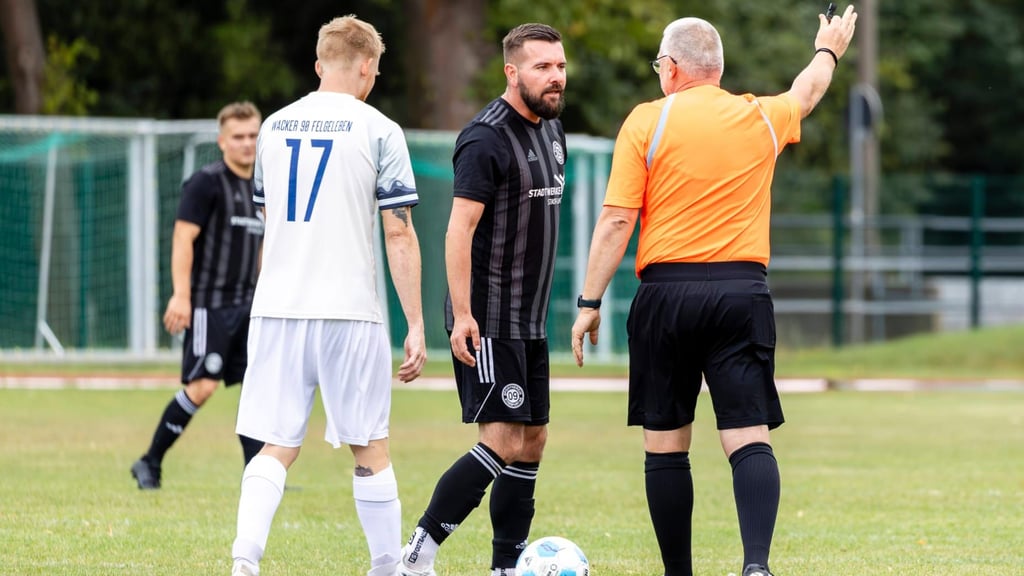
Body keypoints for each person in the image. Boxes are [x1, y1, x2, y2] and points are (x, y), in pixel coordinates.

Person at [570, 7, 857, 576]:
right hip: (739, 292)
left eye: (659, 64)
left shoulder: (646, 121)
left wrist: (589, 302)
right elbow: (808, 90)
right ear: (718, 69)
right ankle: (755, 568)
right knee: (747, 435)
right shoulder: (760, 116)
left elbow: (616, 222)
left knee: (665, 443)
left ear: (672, 68)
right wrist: (828, 48)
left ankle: (680, 572)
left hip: (666, 294)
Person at [229, 15, 427, 576]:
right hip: (349, 312)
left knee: (275, 444)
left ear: (319, 65)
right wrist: (414, 321)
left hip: (277, 308)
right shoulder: (380, 129)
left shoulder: (272, 127)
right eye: (377, 69)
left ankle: (245, 560)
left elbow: (271, 227)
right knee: (370, 446)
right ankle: (388, 567)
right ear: (367, 66)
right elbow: (398, 230)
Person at [398, 22, 567, 576]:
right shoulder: (484, 137)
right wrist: (464, 314)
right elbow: (457, 231)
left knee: (532, 440)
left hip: (531, 318)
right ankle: (419, 553)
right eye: (542, 67)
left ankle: (506, 567)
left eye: (560, 66)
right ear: (512, 72)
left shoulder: (552, 128)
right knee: (499, 439)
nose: (555, 77)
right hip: (488, 315)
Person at [131, 101, 265, 490]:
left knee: (256, 391)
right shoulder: (206, 182)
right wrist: (181, 296)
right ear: (222, 141)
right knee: (203, 386)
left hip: (250, 306)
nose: (247, 144)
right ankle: (149, 462)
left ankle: (256, 477)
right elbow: (182, 238)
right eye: (238, 137)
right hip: (210, 304)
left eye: (253, 136)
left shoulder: (262, 187)